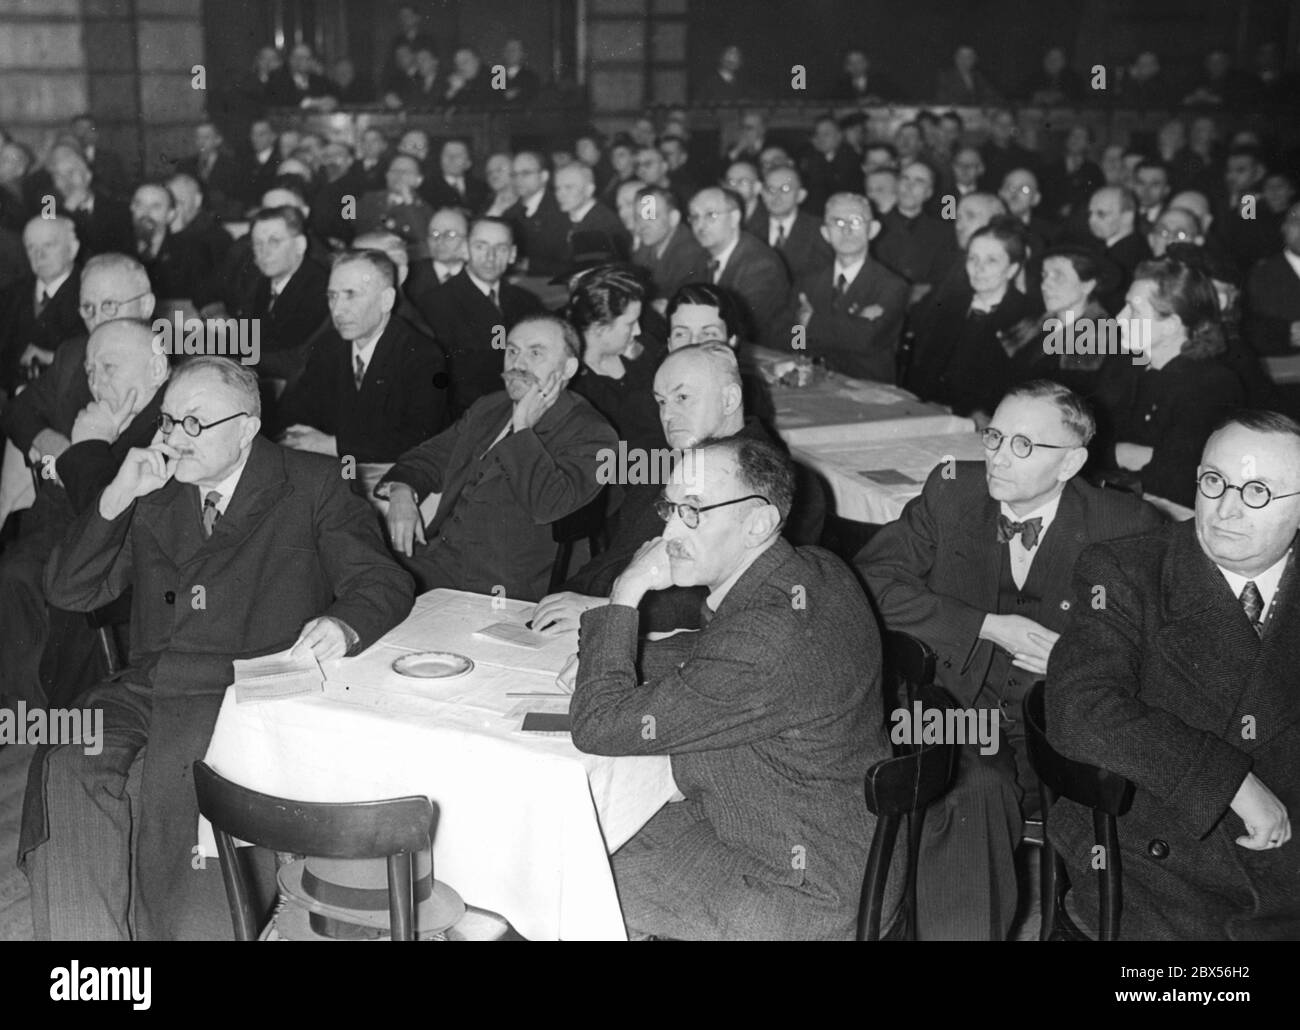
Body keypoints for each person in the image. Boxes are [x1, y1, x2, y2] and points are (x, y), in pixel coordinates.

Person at [24, 356, 414, 940]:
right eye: (169, 420)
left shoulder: (310, 482)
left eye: (195, 424)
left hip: (248, 687)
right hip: (151, 683)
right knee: (66, 761)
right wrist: (117, 494)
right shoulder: (154, 489)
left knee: (184, 810)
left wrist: (342, 625)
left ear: (247, 428)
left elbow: (382, 581)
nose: (176, 438)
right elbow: (69, 589)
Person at [858, 381, 1162, 940]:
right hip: (953, 717)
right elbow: (869, 582)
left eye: (1023, 445)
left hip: (1057, 729)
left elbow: (1158, 646)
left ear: (1070, 462)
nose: (997, 455)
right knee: (971, 789)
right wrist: (985, 626)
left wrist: (1074, 659)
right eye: (995, 436)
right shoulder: (952, 493)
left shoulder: (1124, 525)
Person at [571, 435, 894, 939]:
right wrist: (619, 657)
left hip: (797, 888)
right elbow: (715, 652)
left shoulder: (765, 639)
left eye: (694, 511)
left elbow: (597, 726)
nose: (670, 531)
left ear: (759, 523)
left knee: (570, 871)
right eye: (670, 507)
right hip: (841, 843)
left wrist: (625, 594)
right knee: (591, 835)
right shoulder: (814, 568)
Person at [1047, 410, 1300, 940]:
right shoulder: (1125, 571)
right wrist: (1227, 781)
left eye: (1257, 491)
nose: (1226, 509)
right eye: (1214, 482)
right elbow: (1079, 709)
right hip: (1155, 862)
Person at [0, 271, 166, 710]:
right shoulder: (92, 379)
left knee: (61, 589)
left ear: (157, 368)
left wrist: (88, 444)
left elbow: (111, 514)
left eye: (108, 369)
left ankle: (57, 715)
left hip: (131, 556)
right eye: (92, 371)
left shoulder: (171, 412)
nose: (95, 381)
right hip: (72, 533)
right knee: (17, 570)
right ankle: (25, 707)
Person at [376, 314, 616, 601]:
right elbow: (430, 455)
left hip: (503, 588)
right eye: (512, 351)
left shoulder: (593, 432)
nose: (518, 364)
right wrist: (402, 492)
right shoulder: (490, 407)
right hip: (434, 563)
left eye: (535, 353)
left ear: (568, 368)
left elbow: (548, 504)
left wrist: (523, 428)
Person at [1091, 257, 1246, 508]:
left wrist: (1119, 453)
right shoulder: (1126, 366)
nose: (1119, 319)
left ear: (1171, 325)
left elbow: (1174, 483)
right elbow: (1092, 444)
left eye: (1134, 310)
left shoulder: (1211, 385)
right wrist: (1125, 453)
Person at [275, 249, 447, 464]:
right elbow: (294, 413)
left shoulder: (422, 356)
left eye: (351, 295)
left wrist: (333, 445)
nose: (338, 310)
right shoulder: (328, 346)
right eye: (332, 296)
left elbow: (421, 439)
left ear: (386, 300)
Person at [410, 217, 543, 417]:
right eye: (481, 246)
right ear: (465, 250)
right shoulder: (435, 304)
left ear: (512, 254)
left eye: (501, 248)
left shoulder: (528, 302)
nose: (491, 257)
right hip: (468, 419)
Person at [906, 218, 1033, 421]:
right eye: (973, 259)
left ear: (1012, 269)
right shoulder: (950, 304)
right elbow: (925, 365)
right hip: (929, 412)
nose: (978, 268)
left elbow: (1011, 383)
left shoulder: (1025, 316)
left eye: (991, 261)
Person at [787, 192, 906, 383]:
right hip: (813, 385)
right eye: (838, 223)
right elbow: (796, 340)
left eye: (856, 221)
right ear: (825, 233)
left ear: (873, 230)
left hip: (868, 390)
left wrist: (812, 321)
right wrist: (851, 326)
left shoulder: (891, 285)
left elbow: (867, 338)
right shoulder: (807, 282)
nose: (847, 230)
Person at [566, 264, 664, 461]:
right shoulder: (572, 383)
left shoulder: (647, 350)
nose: (637, 331)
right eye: (630, 324)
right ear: (599, 328)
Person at [226, 205, 329, 383]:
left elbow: (286, 351)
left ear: (300, 245)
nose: (264, 252)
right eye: (258, 243)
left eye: (274, 241)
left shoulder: (319, 286)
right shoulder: (258, 278)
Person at [1005, 244, 1116, 398]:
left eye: (1058, 277)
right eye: (1045, 275)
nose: (1045, 285)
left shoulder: (1102, 337)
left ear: (1087, 285)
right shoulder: (1033, 325)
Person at [688, 186, 790, 348]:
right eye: (694, 217)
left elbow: (739, 325)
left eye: (710, 215)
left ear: (735, 218)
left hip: (763, 357)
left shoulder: (760, 263)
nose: (700, 225)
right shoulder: (702, 255)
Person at [0, 215, 82, 392]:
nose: (39, 255)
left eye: (49, 245)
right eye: (31, 247)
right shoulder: (10, 295)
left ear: (73, 249)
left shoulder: (90, 292)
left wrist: (53, 358)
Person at [874, 161, 959, 305]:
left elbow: (943, 279)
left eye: (919, 181)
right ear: (896, 185)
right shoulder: (875, 227)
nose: (909, 186)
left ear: (929, 193)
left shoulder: (944, 233)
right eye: (905, 179)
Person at [748, 165, 833, 282]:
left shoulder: (819, 230)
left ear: (800, 195)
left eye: (785, 189)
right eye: (771, 189)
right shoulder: (750, 230)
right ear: (762, 193)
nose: (776, 196)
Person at [48, 144, 132, 258]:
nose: (66, 181)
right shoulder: (49, 209)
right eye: (58, 176)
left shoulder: (118, 209)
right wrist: (68, 210)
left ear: (88, 176)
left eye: (71, 173)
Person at [631, 185, 710, 303]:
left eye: (651, 216)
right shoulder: (644, 248)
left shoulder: (692, 254)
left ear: (673, 218)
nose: (642, 225)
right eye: (638, 217)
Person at [1244, 201, 1300, 356]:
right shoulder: (1261, 275)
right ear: (1284, 227)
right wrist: (1287, 332)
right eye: (1296, 221)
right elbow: (1252, 328)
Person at [503, 151, 570, 279]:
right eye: (514, 174)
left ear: (544, 176)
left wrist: (528, 265)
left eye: (525, 173)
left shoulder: (561, 210)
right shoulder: (510, 212)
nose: (518, 180)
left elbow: (568, 264)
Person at [1087, 186, 1150, 309]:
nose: (1091, 220)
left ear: (1127, 217)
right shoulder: (1116, 248)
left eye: (1101, 214)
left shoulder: (1127, 257)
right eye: (1090, 213)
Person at [554, 164, 630, 261]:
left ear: (589, 190)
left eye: (569, 187)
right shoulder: (566, 216)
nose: (560, 194)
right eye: (557, 188)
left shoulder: (602, 225)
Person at [355, 153, 435, 244]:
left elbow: (422, 238)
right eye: (394, 170)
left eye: (405, 172)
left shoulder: (424, 209)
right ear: (387, 175)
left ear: (418, 180)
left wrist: (409, 201)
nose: (399, 175)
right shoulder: (368, 199)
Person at [173, 122, 242, 221]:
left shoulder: (233, 166)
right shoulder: (184, 165)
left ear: (218, 140)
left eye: (206, 137)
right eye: (198, 137)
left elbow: (237, 199)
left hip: (223, 219)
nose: (201, 142)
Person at [800, 116, 863, 217]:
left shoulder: (850, 159)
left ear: (839, 136)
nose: (820, 138)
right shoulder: (809, 157)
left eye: (826, 134)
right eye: (817, 134)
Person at [420, 138, 489, 213]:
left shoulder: (482, 188)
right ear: (440, 160)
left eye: (458, 155)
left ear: (468, 162)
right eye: (447, 154)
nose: (452, 158)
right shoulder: (427, 187)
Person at [936, 45, 1001, 105]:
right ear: (955, 58)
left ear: (974, 60)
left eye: (968, 57)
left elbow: (992, 96)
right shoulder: (945, 76)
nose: (963, 61)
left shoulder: (978, 76)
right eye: (960, 57)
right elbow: (942, 100)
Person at [497, 39, 541, 107]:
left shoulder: (531, 77)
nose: (510, 53)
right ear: (503, 53)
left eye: (514, 50)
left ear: (522, 54)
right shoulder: (495, 76)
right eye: (507, 50)